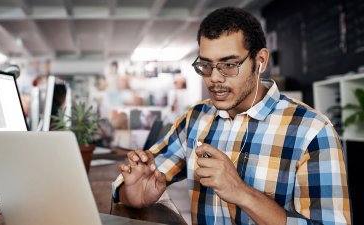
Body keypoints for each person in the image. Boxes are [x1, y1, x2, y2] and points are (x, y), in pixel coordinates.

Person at [112, 7, 351, 225]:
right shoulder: (195, 118)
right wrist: (132, 194)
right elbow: (138, 180)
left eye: (229, 65)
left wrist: (240, 191)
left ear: (260, 61)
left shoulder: (312, 131)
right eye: (206, 65)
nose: (214, 77)